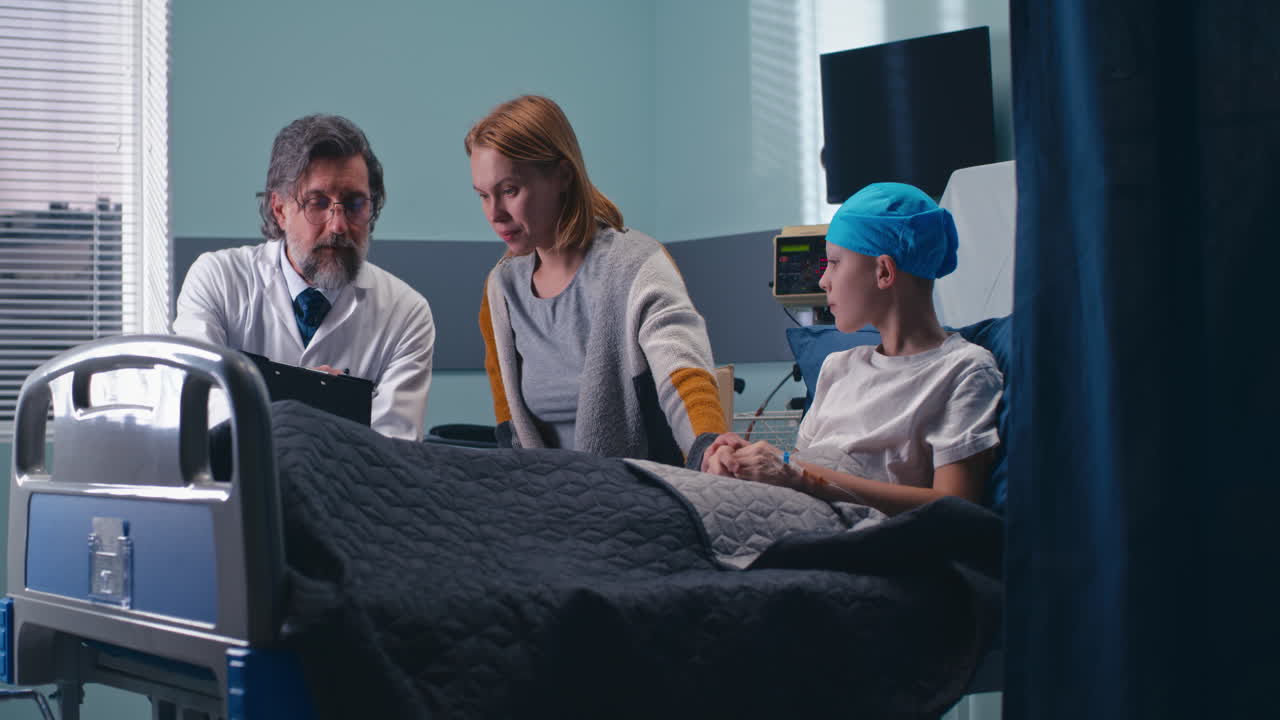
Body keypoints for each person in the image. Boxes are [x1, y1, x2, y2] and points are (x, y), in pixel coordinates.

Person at [698, 182, 1002, 516]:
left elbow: (956, 507)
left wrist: (798, 474)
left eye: (834, 262)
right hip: (793, 509)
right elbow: (796, 471)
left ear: (883, 271)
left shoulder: (963, 371)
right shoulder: (838, 367)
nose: (823, 280)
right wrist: (747, 461)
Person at [468, 95, 725, 464]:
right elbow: (509, 425)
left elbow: (684, 376)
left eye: (509, 191)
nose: (495, 214)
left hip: (638, 498)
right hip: (546, 503)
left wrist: (709, 447)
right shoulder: (501, 291)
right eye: (482, 196)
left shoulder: (636, 266)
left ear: (562, 175)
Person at [173, 114, 435, 441]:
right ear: (280, 210)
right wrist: (303, 403)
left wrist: (271, 403)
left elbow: (392, 452)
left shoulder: (407, 312)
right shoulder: (218, 279)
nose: (338, 225)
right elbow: (199, 409)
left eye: (355, 204)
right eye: (318, 203)